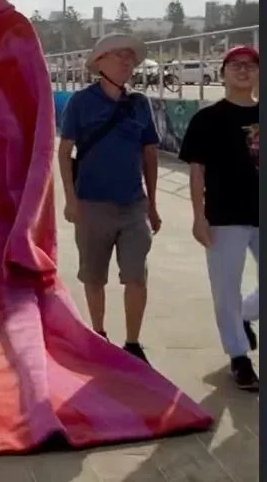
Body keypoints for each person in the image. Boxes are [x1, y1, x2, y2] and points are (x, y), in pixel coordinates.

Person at [58, 33, 162, 364]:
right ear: (99, 61)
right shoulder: (81, 102)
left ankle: (133, 343)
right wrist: (71, 200)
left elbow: (150, 155)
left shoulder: (140, 103)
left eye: (131, 57)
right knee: (94, 276)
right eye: (119, 55)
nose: (127, 61)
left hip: (133, 205)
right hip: (91, 204)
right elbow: (64, 152)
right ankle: (99, 334)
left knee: (136, 277)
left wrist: (153, 204)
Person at [178, 46, 259, 391]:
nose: (243, 70)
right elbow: (197, 171)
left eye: (251, 65)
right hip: (225, 215)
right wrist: (198, 216)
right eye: (235, 65)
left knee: (235, 302)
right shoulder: (207, 119)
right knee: (225, 288)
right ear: (223, 72)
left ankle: (243, 316)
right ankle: (238, 357)